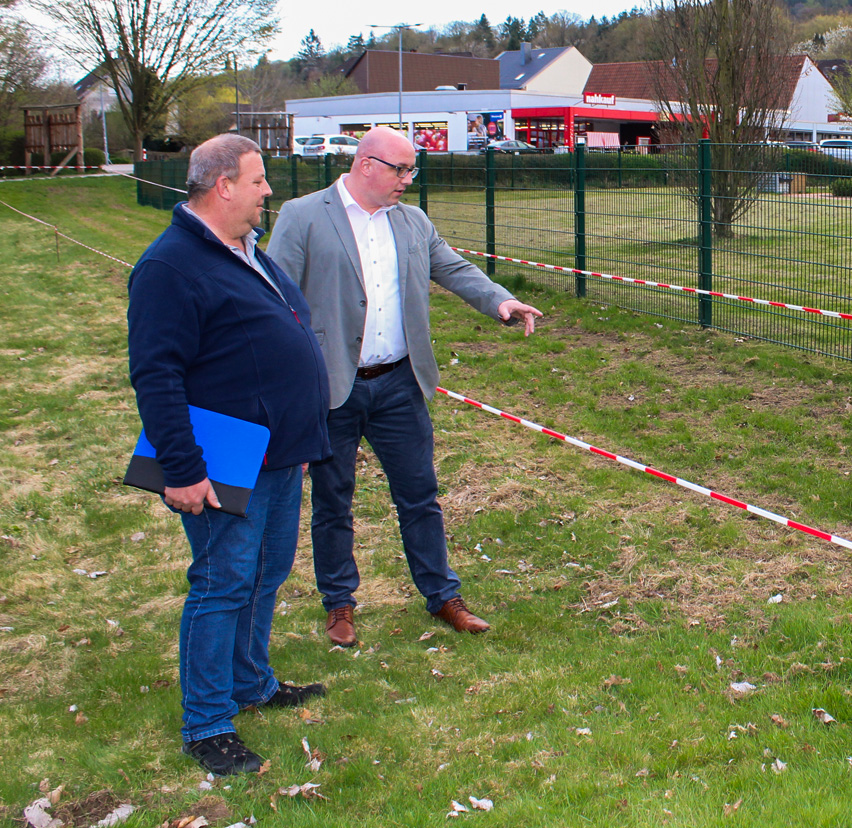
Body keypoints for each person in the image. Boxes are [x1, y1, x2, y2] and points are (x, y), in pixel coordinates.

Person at [268, 126, 542, 647]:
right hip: (331, 389)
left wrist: (499, 300)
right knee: (333, 502)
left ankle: (443, 596)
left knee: (420, 496)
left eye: (411, 170)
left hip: (399, 383)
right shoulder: (303, 215)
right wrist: (287, 392)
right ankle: (339, 603)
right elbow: (277, 301)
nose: (408, 181)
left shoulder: (412, 221)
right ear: (366, 164)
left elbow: (452, 267)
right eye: (401, 170)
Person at [127, 134, 333, 775]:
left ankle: (252, 683)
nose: (268, 190)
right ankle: (207, 722)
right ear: (222, 186)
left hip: (275, 452)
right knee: (222, 584)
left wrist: (297, 439)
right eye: (259, 180)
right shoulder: (170, 268)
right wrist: (183, 470)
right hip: (223, 458)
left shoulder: (245, 249)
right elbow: (156, 375)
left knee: (266, 575)